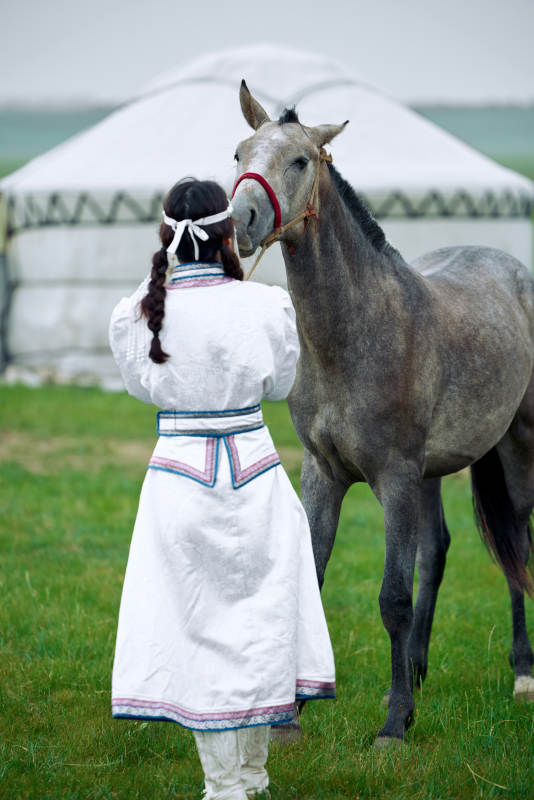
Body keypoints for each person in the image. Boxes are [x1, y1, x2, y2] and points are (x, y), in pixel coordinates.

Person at [109, 178, 335, 800]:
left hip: (178, 483)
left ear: (165, 238)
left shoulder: (138, 313)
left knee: (199, 628)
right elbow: (281, 383)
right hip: (255, 476)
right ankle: (244, 779)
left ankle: (230, 783)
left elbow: (138, 382)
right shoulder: (265, 306)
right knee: (261, 621)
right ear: (229, 233)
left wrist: (173, 270)